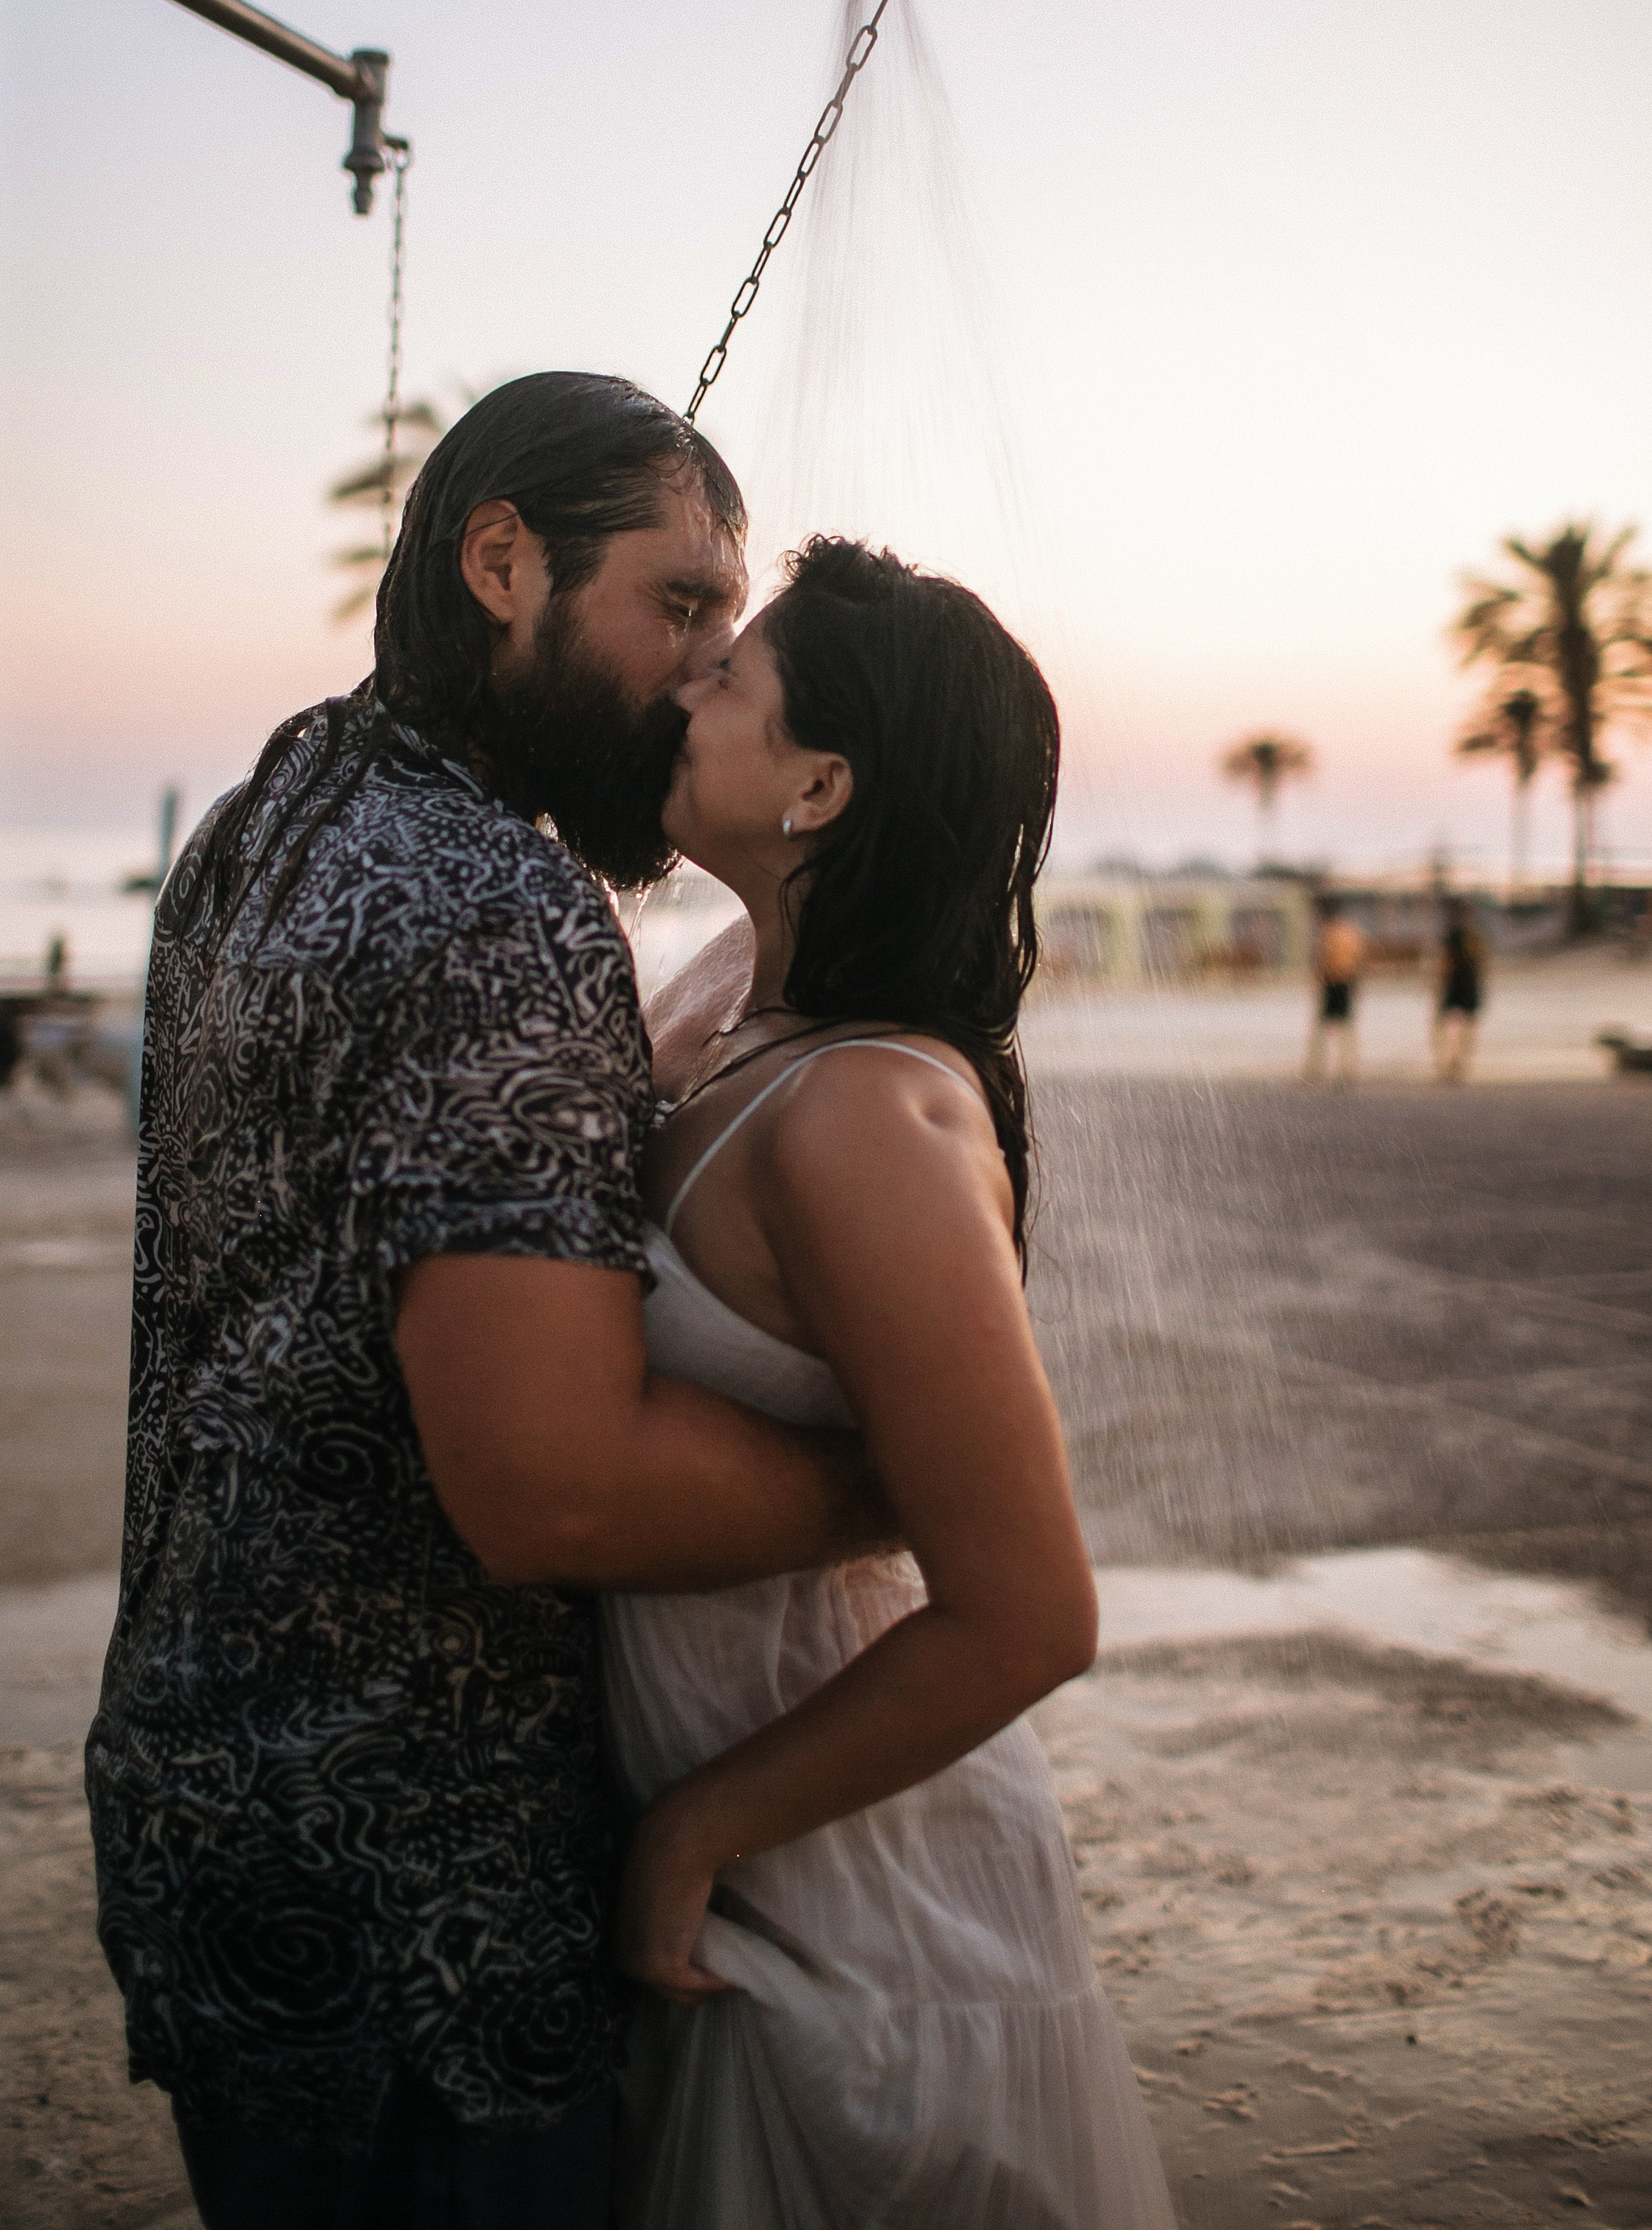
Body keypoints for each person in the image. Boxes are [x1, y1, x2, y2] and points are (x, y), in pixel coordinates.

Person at [87, 376, 892, 2229]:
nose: (703, 674)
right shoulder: (494, 908)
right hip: (420, 1906)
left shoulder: (267, 808)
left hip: (207, 1811)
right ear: (503, 562)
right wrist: (895, 1489)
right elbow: (551, 1489)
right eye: (677, 606)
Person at [601, 538, 1177, 2229]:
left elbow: (1026, 1610)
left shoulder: (865, 1111)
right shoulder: (724, 1003)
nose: (684, 681)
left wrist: (693, 1826)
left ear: (820, 785)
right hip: (755, 1869)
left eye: (729, 676)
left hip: (857, 1904)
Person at [1303, 894, 1367, 1085]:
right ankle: (1348, 1067)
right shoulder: (1353, 932)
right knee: (1347, 1027)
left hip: (1331, 981)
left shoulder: (1328, 933)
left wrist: (1318, 982)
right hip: (1347, 981)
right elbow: (1360, 960)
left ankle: (1315, 1065)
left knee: (1321, 1027)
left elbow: (1323, 960)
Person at [1434, 897, 1485, 1084]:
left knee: (1449, 1024)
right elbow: (1482, 963)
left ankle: (1453, 1061)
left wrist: (1439, 984)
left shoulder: (1452, 936)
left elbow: (1446, 962)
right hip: (1471, 984)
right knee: (1468, 1026)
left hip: (1455, 985)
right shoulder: (1476, 936)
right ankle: (1461, 1061)